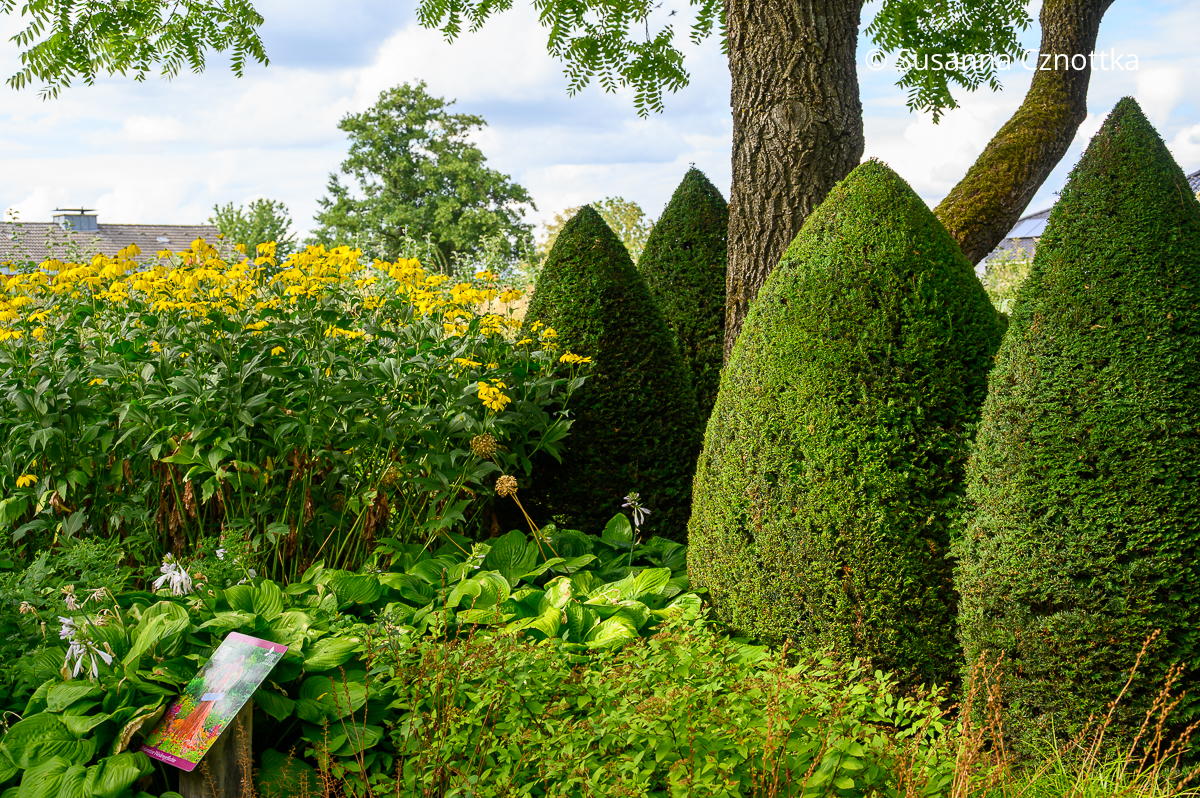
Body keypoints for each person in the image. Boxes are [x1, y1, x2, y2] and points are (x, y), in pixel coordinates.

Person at [171, 652, 249, 746]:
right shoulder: (229, 665)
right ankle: (185, 730)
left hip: (220, 689)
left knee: (205, 711)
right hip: (215, 688)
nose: (241, 658)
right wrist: (212, 683)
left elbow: (235, 680)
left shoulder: (239, 669)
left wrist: (226, 688)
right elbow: (217, 673)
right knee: (200, 708)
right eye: (240, 656)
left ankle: (191, 733)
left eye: (242, 658)